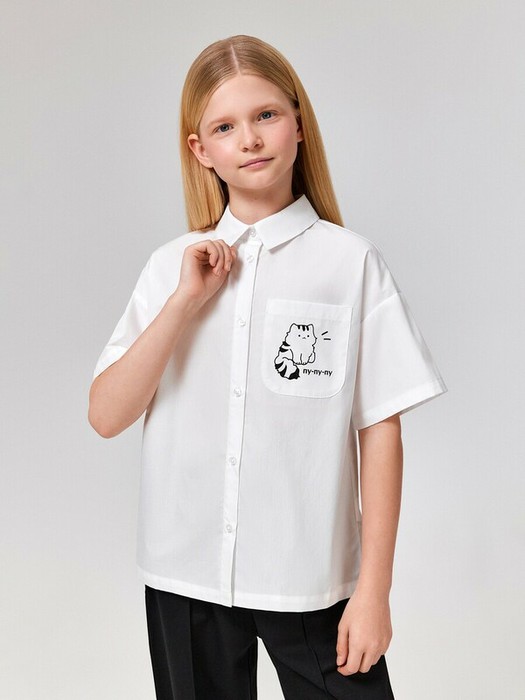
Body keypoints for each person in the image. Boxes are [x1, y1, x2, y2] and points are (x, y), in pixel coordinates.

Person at [89, 34, 447, 700]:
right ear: (201, 150)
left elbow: (380, 431)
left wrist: (373, 591)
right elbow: (107, 415)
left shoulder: (350, 264)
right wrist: (183, 303)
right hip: (185, 575)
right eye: (224, 127)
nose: (249, 139)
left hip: (309, 578)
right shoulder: (171, 268)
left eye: (266, 115)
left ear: (298, 124)